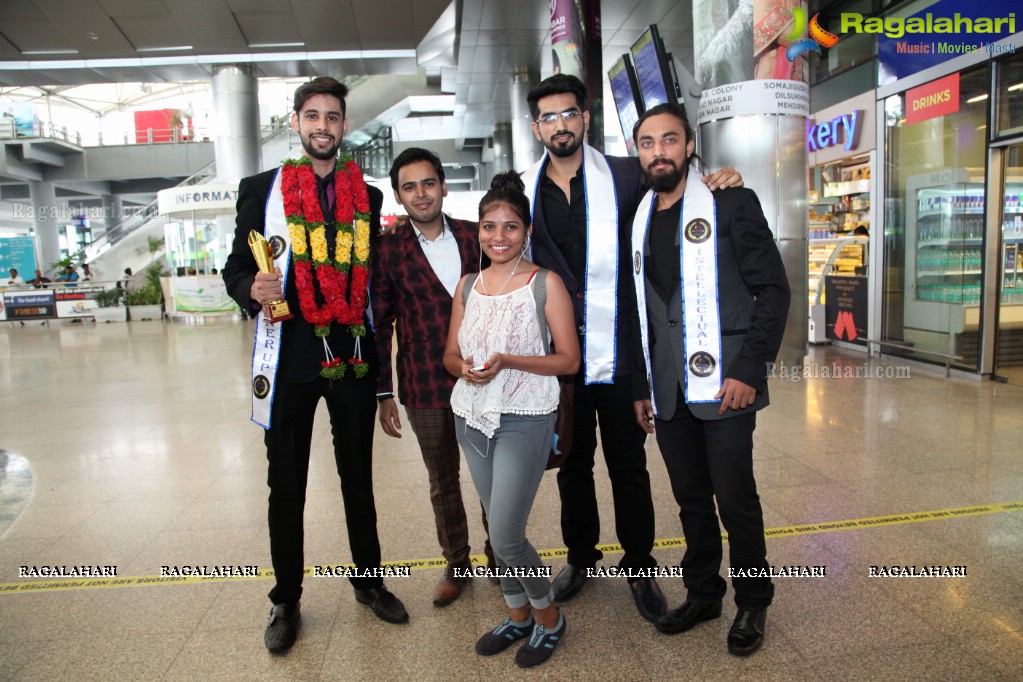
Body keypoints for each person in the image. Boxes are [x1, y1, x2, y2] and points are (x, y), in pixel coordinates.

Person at [521, 74, 743, 621]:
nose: (560, 125)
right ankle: (580, 556)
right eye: (548, 117)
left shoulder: (624, 175)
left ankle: (641, 567)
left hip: (622, 351)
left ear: (586, 118)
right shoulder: (522, 186)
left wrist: (716, 178)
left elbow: (675, 197)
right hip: (562, 355)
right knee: (572, 464)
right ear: (536, 128)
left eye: (569, 114)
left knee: (628, 465)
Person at [223, 76, 407, 656]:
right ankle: (287, 597)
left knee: (359, 478)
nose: (322, 126)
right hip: (291, 360)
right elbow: (234, 267)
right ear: (297, 123)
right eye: (312, 116)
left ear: (345, 126)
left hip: (351, 355)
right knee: (287, 486)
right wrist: (249, 287)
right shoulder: (261, 190)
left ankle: (370, 582)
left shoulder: (368, 195)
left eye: (332, 116)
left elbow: (374, 279)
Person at [630, 103, 790, 657]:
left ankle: (753, 599)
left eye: (669, 140)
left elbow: (773, 290)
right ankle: (703, 593)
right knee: (691, 499)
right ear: (638, 153)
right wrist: (640, 387)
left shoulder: (732, 202)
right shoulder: (638, 216)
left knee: (735, 497)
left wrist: (750, 368)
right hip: (668, 386)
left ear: (690, 147)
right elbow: (640, 311)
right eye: (648, 143)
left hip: (725, 381)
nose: (659, 152)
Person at [443, 172, 579, 668]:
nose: (498, 237)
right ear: (478, 231)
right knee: (499, 528)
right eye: (488, 226)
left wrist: (509, 361)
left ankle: (548, 619)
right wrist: (466, 370)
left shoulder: (545, 284)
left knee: (504, 534)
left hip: (525, 415)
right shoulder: (467, 286)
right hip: (472, 417)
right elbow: (449, 356)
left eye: (510, 227)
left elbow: (568, 360)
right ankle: (518, 614)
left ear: (526, 232)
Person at [371, 147, 496, 607]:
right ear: (399, 197)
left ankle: (501, 554)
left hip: (483, 375)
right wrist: (384, 392)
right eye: (409, 187)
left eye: (428, 183)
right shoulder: (386, 251)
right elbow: (380, 323)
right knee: (442, 477)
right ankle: (456, 562)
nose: (420, 194)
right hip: (424, 380)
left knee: (491, 473)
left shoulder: (476, 236)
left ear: (443, 186)